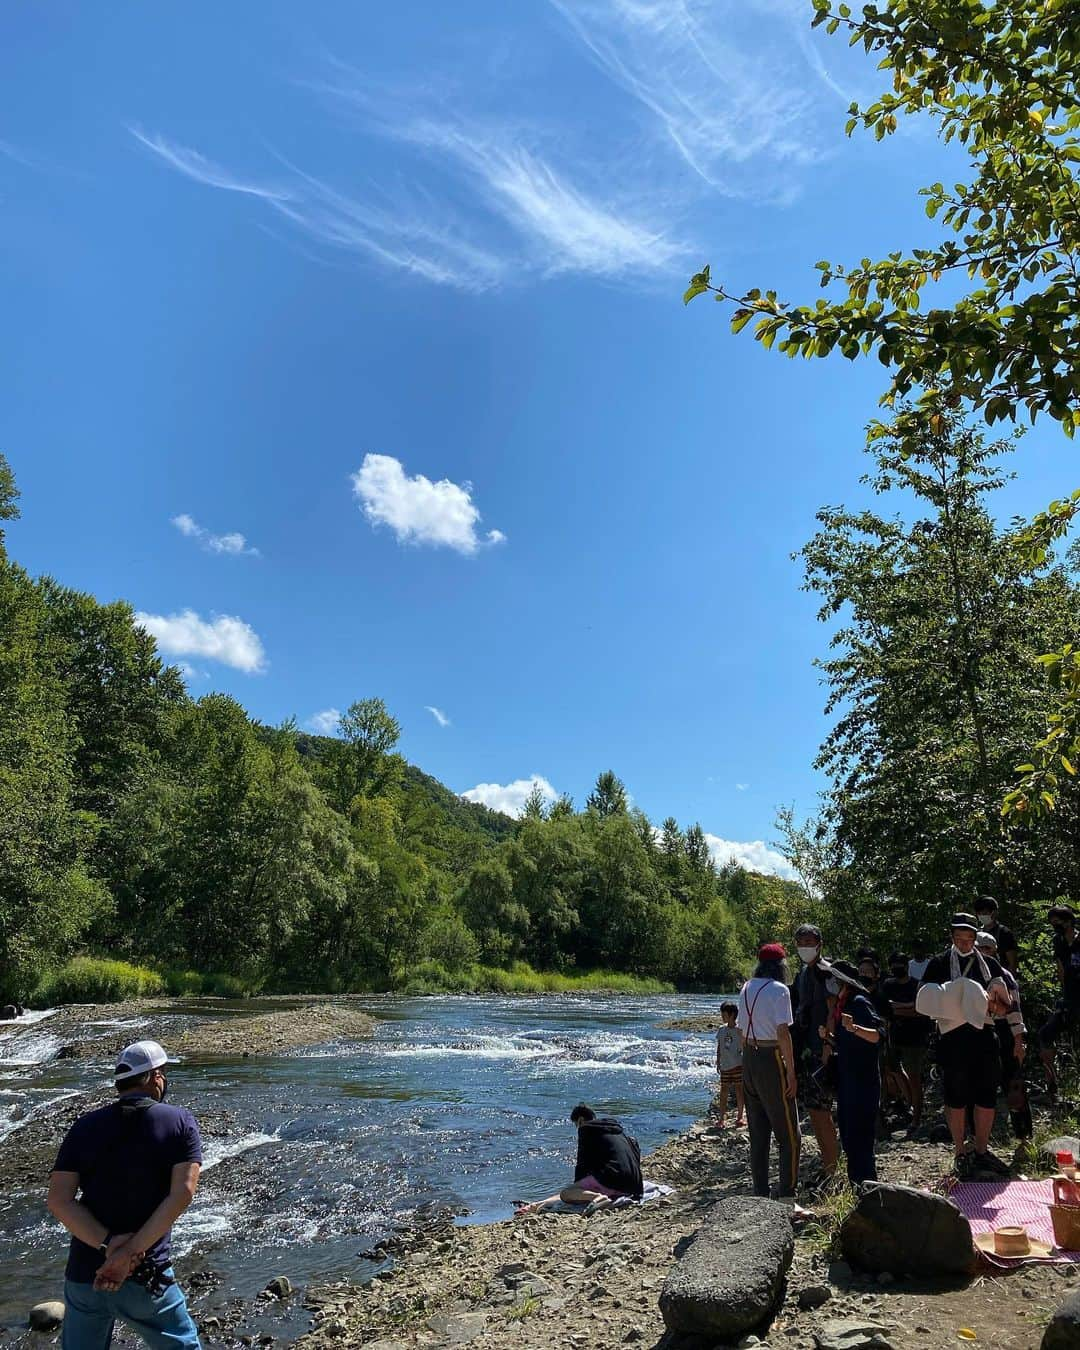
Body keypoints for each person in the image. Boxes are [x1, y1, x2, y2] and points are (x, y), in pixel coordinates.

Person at [46, 1040, 202, 1350]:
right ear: (156, 1076)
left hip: (85, 1275)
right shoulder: (179, 1121)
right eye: (164, 1073)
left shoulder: (84, 1126)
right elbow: (183, 1192)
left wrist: (108, 1245)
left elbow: (58, 1200)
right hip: (145, 1275)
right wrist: (129, 1254)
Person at [918, 914, 1014, 1177]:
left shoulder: (990, 964)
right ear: (952, 936)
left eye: (969, 938)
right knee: (955, 1095)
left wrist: (994, 1003)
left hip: (984, 1035)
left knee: (986, 1094)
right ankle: (960, 1150)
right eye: (959, 938)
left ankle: (981, 1150)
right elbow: (925, 1000)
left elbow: (1005, 1007)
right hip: (952, 1038)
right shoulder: (938, 963)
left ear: (975, 937)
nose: (964, 943)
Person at [738, 942, 800, 1200]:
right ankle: (787, 1192)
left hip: (749, 1058)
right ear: (781, 965)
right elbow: (783, 1033)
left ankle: (760, 1193)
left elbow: (741, 1029)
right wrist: (791, 1071)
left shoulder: (746, 987)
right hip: (770, 1057)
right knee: (789, 1133)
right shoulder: (779, 990)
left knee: (758, 1133)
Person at [822, 959, 884, 1184]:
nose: (830, 983)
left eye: (833, 979)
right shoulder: (841, 1006)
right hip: (847, 1079)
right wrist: (828, 1037)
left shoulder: (858, 1002)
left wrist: (854, 1028)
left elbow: (878, 1036)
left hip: (864, 1081)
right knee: (848, 1138)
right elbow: (844, 1043)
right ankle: (857, 1188)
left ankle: (868, 1190)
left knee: (861, 1140)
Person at [516, 1104, 643, 1212]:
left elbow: (581, 1166)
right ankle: (536, 1204)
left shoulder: (586, 1130)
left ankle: (597, 1198)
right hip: (634, 1186)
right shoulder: (617, 1131)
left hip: (614, 1181)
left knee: (567, 1193)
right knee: (576, 1190)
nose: (577, 1128)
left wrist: (577, 1186)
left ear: (581, 1120)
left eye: (576, 1124)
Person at [790, 923, 839, 1184]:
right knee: (814, 1111)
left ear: (820, 943)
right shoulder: (803, 974)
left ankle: (834, 1170)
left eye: (809, 942)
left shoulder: (826, 972)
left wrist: (829, 1047)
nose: (805, 947)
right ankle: (828, 1167)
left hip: (823, 1053)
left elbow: (833, 1009)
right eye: (801, 942)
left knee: (823, 1112)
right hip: (807, 1053)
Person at [975, 930, 1031, 1139]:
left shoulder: (1004, 976)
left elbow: (1015, 1010)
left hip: (1005, 1031)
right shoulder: (971, 974)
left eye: (987, 948)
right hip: (980, 1031)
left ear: (995, 951)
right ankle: (980, 1138)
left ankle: (1023, 1134)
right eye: (979, 948)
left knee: (1013, 1084)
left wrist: (1019, 1041)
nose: (983, 952)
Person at [881, 951, 931, 1134]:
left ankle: (917, 1118)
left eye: (899, 964)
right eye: (893, 965)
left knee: (915, 1077)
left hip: (915, 1038)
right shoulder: (887, 985)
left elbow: (921, 1011)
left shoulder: (917, 985)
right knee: (892, 1070)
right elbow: (886, 1009)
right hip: (894, 1037)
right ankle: (909, 1104)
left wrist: (898, 1008)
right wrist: (908, 1007)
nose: (896, 968)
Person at [1038, 904, 1080, 1094]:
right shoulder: (1058, 941)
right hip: (1069, 997)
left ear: (1069, 921)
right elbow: (1061, 968)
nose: (1056, 926)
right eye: (1053, 923)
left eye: (1059, 922)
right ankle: (1052, 1086)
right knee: (1046, 1034)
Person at [715, 1002, 745, 1129]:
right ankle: (721, 1118)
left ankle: (740, 1117)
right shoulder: (722, 1030)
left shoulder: (740, 1031)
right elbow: (719, 1046)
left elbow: (744, 1047)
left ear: (732, 1015)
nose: (722, 1016)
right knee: (723, 1092)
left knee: (739, 1091)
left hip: (738, 1065)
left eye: (724, 1014)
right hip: (725, 1066)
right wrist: (718, 1060)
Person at [975, 896, 1019, 974]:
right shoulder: (977, 933)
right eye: (979, 914)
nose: (981, 916)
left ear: (994, 913)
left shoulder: (1005, 933)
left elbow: (1012, 964)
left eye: (985, 913)